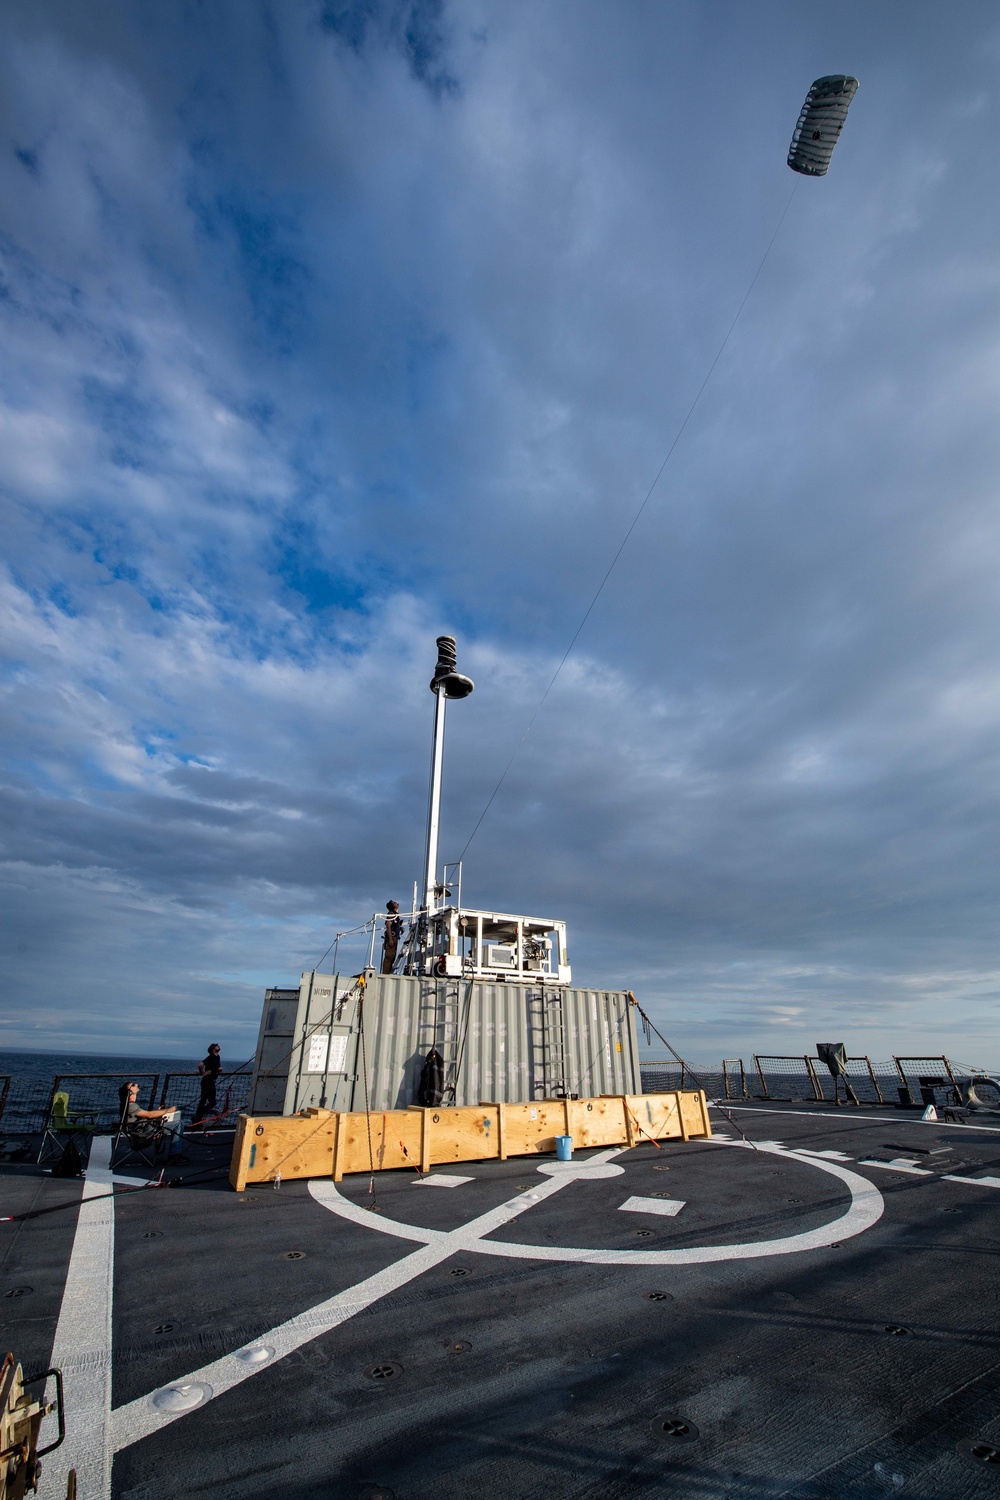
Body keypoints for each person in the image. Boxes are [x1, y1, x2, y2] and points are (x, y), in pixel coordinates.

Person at [118, 1082, 184, 1154]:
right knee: (178, 1124)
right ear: (129, 1091)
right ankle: (175, 1154)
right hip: (141, 1132)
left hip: (139, 1128)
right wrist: (168, 1110)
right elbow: (149, 1115)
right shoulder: (131, 1106)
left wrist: (159, 1112)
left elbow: (146, 1115)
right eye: (133, 1085)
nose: (136, 1084)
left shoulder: (127, 1104)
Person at [193, 1043, 222, 1122]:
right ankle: (199, 1115)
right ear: (213, 1049)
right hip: (208, 1081)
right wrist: (203, 1073)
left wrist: (218, 1069)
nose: (218, 1046)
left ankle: (198, 1117)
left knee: (204, 1100)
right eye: (216, 1045)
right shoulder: (211, 1057)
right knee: (210, 1101)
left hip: (211, 1080)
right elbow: (200, 1065)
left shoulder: (217, 1057)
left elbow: (215, 1067)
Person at [381, 900, 403, 974]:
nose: (396, 903)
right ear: (392, 906)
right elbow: (388, 926)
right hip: (392, 937)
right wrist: (390, 940)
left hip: (395, 937)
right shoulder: (391, 914)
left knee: (392, 957)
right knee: (389, 957)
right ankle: (385, 973)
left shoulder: (396, 915)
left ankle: (388, 971)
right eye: (394, 903)